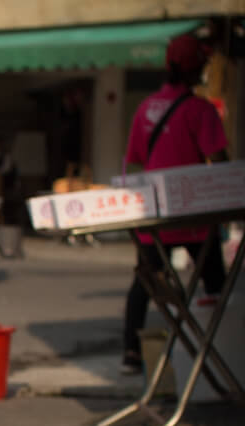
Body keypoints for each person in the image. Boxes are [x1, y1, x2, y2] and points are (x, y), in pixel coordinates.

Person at [120, 33, 228, 374]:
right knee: (215, 284)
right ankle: (222, 347)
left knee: (146, 282)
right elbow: (220, 162)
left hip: (154, 214)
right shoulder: (200, 110)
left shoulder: (146, 107)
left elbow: (136, 158)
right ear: (197, 69)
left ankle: (131, 354)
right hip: (195, 217)